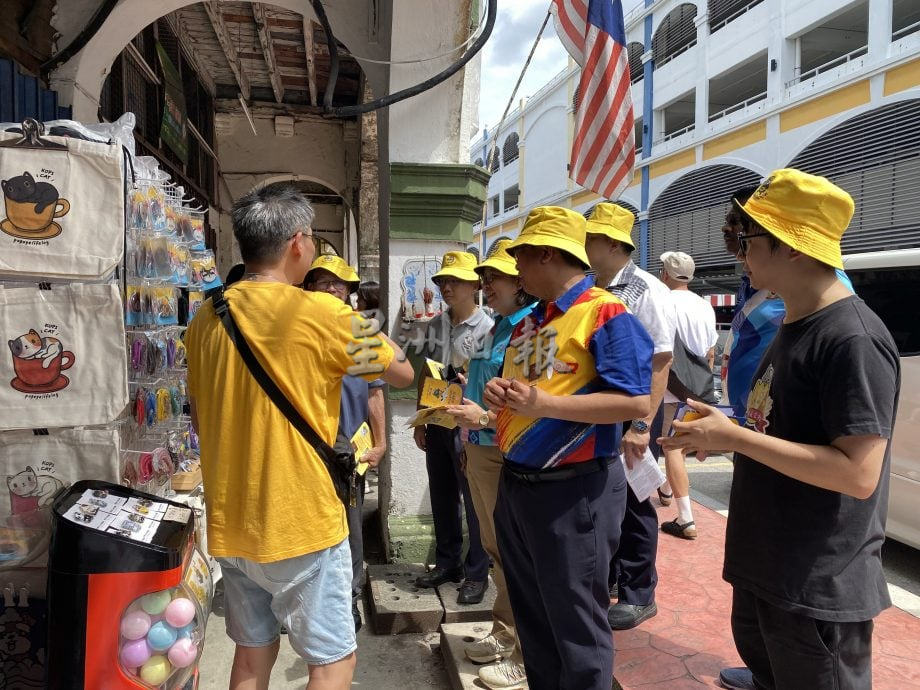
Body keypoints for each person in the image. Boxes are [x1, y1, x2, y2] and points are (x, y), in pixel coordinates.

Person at [661, 169, 900, 690]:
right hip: (771, 563)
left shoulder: (851, 339)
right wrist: (719, 430)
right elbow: (780, 426)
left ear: (791, 247)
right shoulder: (793, 321)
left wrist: (736, 438)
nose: (739, 253)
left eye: (748, 239)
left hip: (816, 578)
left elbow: (859, 474)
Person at [186, 183, 413, 690]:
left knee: (252, 653)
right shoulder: (325, 315)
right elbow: (401, 372)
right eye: (312, 237)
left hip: (232, 523)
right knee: (333, 663)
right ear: (297, 243)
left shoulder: (205, 318)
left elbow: (201, 419)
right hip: (301, 522)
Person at [483, 206, 653, 690]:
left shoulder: (606, 313)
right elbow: (526, 390)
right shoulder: (531, 322)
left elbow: (634, 400)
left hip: (575, 492)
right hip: (519, 486)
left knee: (577, 628)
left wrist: (544, 403)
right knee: (535, 619)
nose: (515, 269)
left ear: (547, 256)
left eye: (520, 258)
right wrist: (502, 394)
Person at [443, 240, 537, 689]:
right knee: (496, 549)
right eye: (484, 278)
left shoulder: (533, 330)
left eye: (494, 278)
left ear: (521, 283)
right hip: (479, 447)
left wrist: (479, 417)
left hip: (502, 450)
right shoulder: (499, 327)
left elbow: (532, 402)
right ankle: (504, 634)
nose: (486, 286)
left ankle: (524, 652)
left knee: (516, 555)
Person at [584, 202, 676, 630]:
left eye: (588, 238)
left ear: (609, 243)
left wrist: (642, 425)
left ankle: (641, 593)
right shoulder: (593, 285)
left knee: (637, 502)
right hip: (601, 410)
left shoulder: (645, 290)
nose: (582, 245)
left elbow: (661, 361)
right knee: (611, 500)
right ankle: (618, 580)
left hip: (632, 412)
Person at [304, 255, 388, 633]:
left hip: (349, 452)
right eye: (322, 281)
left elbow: (376, 392)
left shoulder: (360, 335)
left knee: (351, 527)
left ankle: (350, 597)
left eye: (340, 283)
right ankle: (308, 598)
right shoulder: (298, 331)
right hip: (304, 449)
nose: (333, 288)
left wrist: (382, 443)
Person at [413, 251, 493, 605]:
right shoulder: (434, 325)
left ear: (474, 284)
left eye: (454, 281)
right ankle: (448, 563)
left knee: (474, 501)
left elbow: (494, 380)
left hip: (467, 426)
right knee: (443, 494)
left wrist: (468, 384)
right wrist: (421, 419)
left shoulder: (490, 327)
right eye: (443, 281)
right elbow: (425, 373)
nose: (446, 287)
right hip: (438, 422)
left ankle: (478, 572)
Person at [656, 251, 718, 540]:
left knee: (671, 446)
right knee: (681, 444)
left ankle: (686, 518)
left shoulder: (662, 300)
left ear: (665, 274)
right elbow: (710, 352)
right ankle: (667, 490)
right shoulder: (705, 306)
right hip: (698, 386)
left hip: (667, 385)